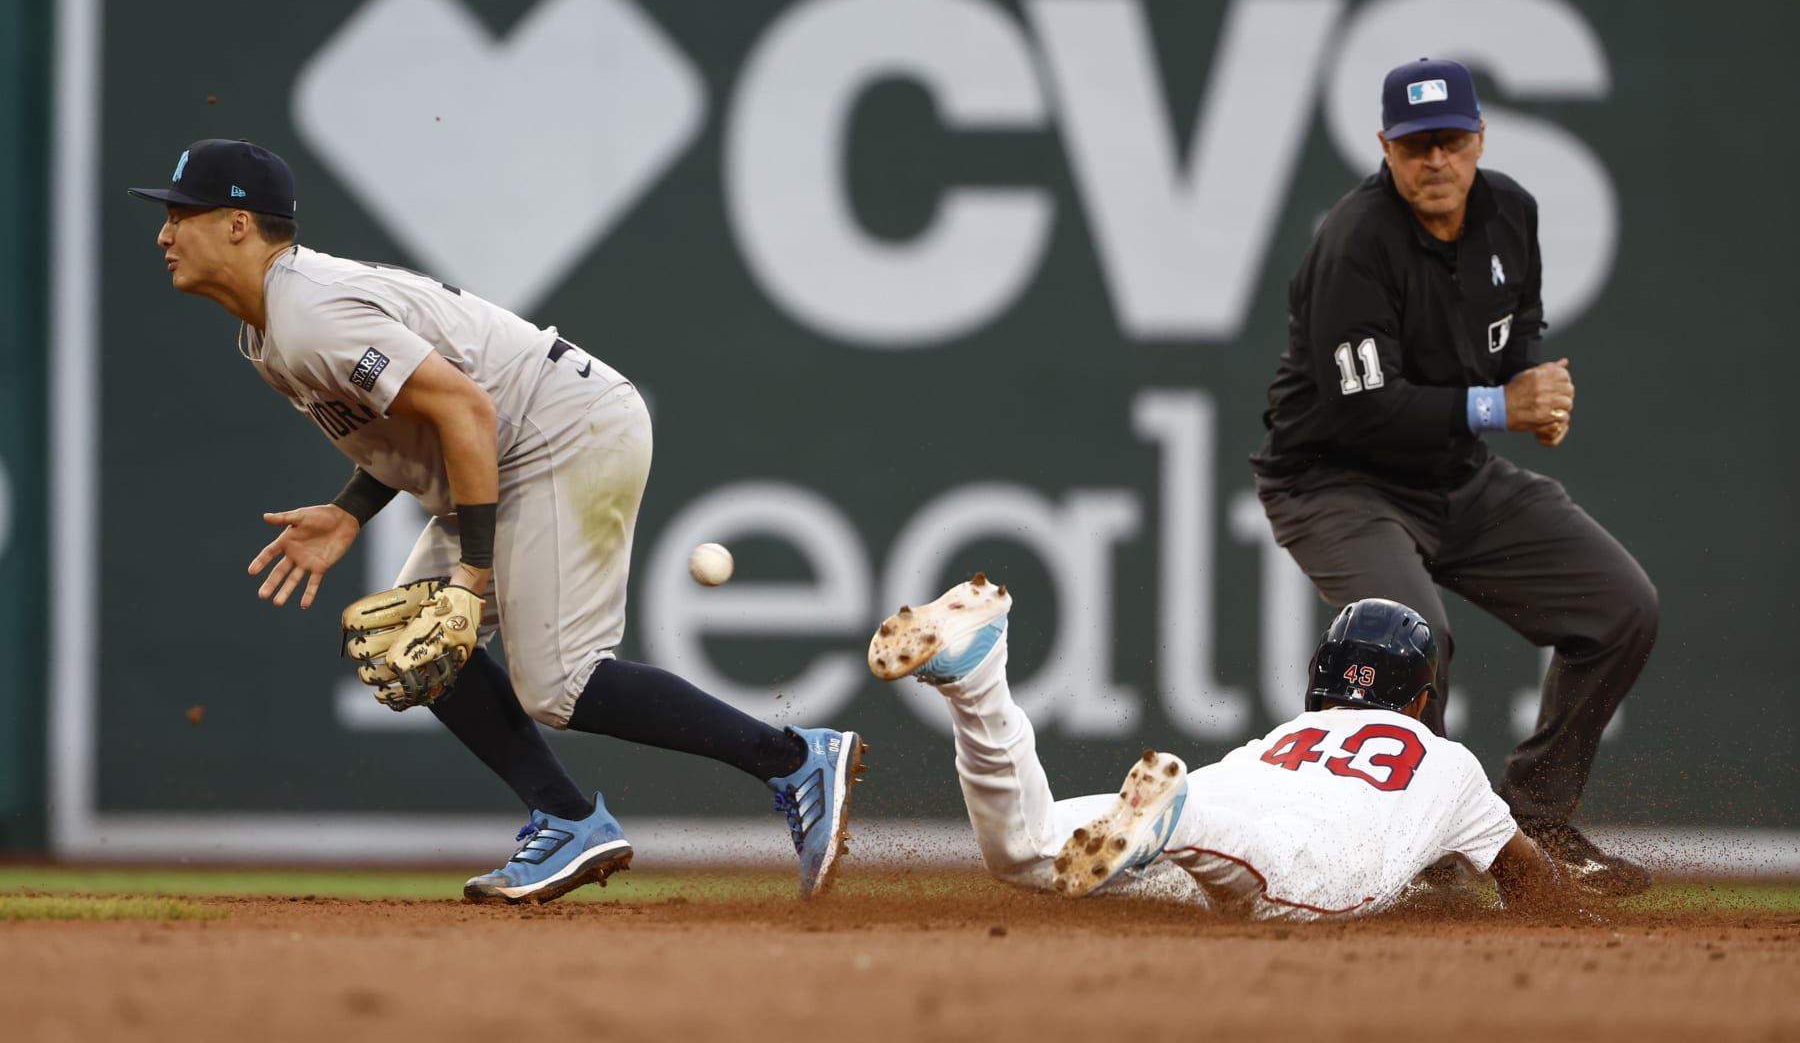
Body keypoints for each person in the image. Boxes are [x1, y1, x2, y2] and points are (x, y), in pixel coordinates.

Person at [128, 137, 866, 903]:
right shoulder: (269, 329)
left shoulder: (308, 311)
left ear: (240, 224)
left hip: (563, 431)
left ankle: (791, 758)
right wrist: (351, 510)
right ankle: (568, 820)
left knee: (561, 684)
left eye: (182, 214)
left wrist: (473, 574)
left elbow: (464, 407)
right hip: (515, 442)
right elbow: (417, 421)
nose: (165, 233)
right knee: (413, 641)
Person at [1248, 58, 1658, 895]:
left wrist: (1535, 392)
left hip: (1456, 481)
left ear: (1479, 139)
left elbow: (1517, 328)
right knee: (1413, 637)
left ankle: (1535, 820)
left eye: (1450, 141)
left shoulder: (1510, 212)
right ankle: (1401, 853)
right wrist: (1497, 407)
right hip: (1334, 483)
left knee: (1621, 607)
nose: (1436, 161)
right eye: (1415, 145)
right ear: (1385, 149)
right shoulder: (1354, 242)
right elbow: (1362, 411)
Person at [870, 579, 1568, 919]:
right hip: (1295, 848)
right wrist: (1571, 908)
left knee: (1027, 849)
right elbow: (1525, 876)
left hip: (1227, 796)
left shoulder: (1287, 735)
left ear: (1319, 678)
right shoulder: (1446, 763)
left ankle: (978, 682)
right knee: (1272, 891)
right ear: (1421, 702)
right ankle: (1177, 818)